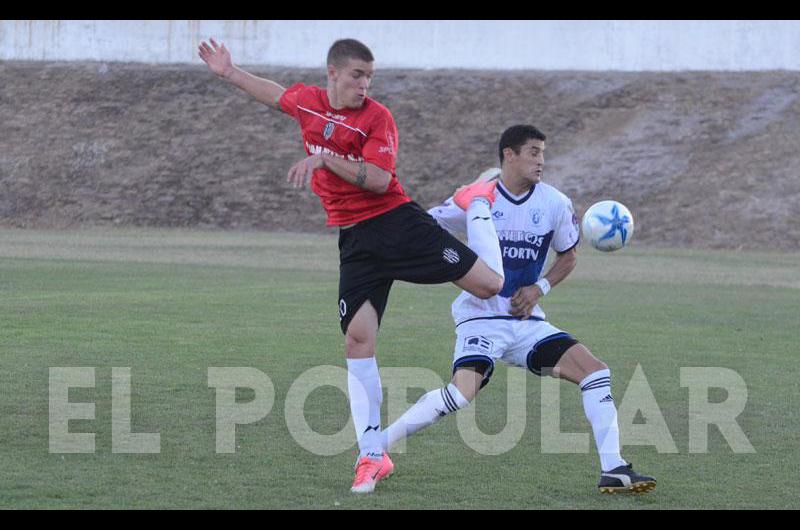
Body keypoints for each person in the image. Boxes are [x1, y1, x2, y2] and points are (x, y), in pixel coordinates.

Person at [198, 38, 506, 493]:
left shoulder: (378, 118)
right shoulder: (310, 102)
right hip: (357, 240)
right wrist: (230, 72)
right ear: (334, 73)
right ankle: (371, 455)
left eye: (370, 76)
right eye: (358, 75)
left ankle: (473, 202)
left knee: (491, 285)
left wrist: (325, 157)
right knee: (357, 340)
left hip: (398, 224)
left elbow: (380, 180)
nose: (365, 84)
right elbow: (276, 94)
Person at [380, 125, 657, 494]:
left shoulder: (554, 203)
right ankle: (376, 447)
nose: (541, 160)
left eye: (542, 152)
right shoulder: (477, 200)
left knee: (596, 372)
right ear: (509, 155)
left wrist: (539, 288)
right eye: (532, 152)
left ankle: (614, 469)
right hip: (480, 318)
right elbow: (427, 225)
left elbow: (569, 254)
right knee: (462, 393)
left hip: (526, 324)